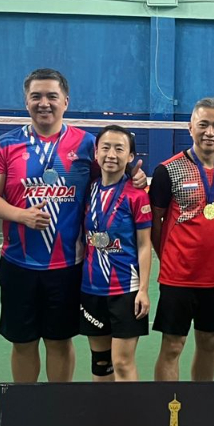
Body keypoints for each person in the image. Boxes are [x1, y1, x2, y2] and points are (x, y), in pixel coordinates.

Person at [0, 69, 90, 385]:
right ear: (26, 101)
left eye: (52, 96)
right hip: (18, 264)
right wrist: (21, 215)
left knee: (60, 341)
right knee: (23, 342)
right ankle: (26, 406)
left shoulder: (87, 144)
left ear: (65, 102)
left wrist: (135, 178)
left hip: (67, 266)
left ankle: (58, 406)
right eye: (36, 96)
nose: (44, 103)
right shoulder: (5, 145)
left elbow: (110, 182)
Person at [150, 97, 214, 381]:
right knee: (173, 345)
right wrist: (168, 258)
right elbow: (155, 222)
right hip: (178, 276)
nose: (210, 132)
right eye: (203, 125)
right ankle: (167, 404)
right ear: (190, 127)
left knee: (209, 341)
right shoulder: (168, 170)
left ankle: (201, 401)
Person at [80, 125, 153, 381]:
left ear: (130, 156)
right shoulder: (88, 190)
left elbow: (144, 245)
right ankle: (104, 409)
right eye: (105, 148)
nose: (111, 154)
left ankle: (129, 409)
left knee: (122, 362)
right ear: (96, 153)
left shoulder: (137, 196)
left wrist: (143, 290)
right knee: (100, 362)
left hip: (125, 290)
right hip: (91, 289)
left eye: (119, 149)